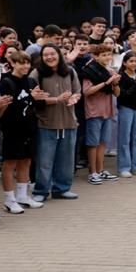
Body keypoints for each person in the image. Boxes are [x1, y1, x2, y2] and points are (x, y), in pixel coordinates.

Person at [31, 44, 82, 202]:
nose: (50, 57)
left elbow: (77, 92)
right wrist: (56, 100)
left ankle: (62, 189)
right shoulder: (36, 73)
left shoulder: (70, 71)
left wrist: (74, 98)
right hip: (47, 123)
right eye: (46, 55)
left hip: (68, 122)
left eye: (53, 54)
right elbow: (34, 99)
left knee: (66, 160)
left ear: (59, 55)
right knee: (45, 160)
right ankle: (41, 190)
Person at [0, 50, 43, 213]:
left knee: (26, 161)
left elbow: (33, 104)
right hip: (12, 128)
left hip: (29, 126)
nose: (25, 66)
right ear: (13, 64)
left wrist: (36, 99)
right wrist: (31, 98)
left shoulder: (30, 81)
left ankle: (22, 196)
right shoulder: (7, 82)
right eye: (21, 63)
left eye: (27, 63)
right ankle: (9, 200)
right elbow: (7, 106)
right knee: (10, 163)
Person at [79, 43, 119, 185]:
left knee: (103, 142)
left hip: (108, 111)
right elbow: (86, 92)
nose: (107, 57)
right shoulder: (89, 71)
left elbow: (117, 93)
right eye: (104, 55)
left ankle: (101, 170)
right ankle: (93, 172)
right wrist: (105, 83)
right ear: (95, 56)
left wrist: (115, 83)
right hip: (94, 111)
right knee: (93, 143)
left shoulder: (109, 71)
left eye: (109, 54)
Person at [113, 50, 136, 179]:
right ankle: (124, 167)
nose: (134, 63)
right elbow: (123, 95)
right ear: (125, 63)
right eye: (131, 61)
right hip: (125, 108)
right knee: (124, 138)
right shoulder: (120, 76)